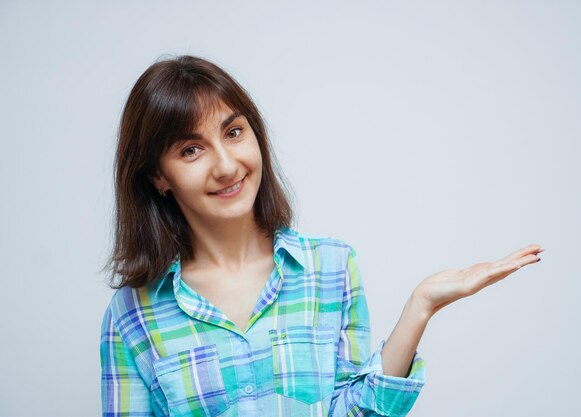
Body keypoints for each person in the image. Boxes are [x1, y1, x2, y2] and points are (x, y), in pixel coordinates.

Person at [99, 55, 543, 417]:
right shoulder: (131, 315)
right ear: (158, 175)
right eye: (191, 149)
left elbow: (354, 412)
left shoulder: (331, 266)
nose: (226, 165)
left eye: (234, 132)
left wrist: (420, 307)